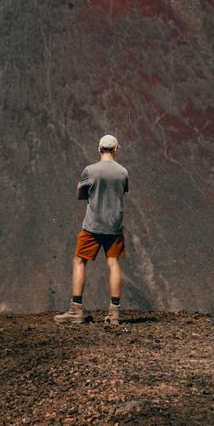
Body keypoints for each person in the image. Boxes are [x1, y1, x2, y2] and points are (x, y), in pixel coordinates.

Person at [54, 134, 129, 326]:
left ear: (99, 149)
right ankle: (114, 313)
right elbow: (122, 192)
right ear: (115, 149)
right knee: (113, 263)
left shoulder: (90, 170)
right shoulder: (123, 172)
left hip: (93, 225)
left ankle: (76, 310)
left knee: (79, 261)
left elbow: (80, 193)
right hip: (114, 226)